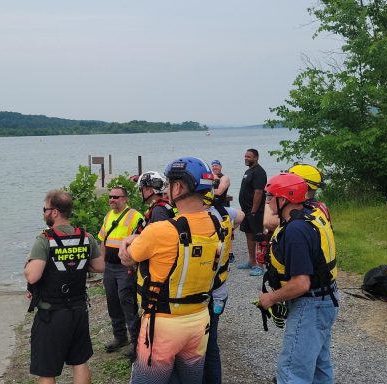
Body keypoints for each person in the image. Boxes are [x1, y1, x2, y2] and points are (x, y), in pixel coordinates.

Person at [120, 156, 231, 383]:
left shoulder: (160, 230)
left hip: (162, 324)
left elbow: (128, 258)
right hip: (199, 320)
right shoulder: (217, 224)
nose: (167, 189)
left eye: (169, 184)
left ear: (178, 187)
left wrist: (130, 241)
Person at [257, 173, 338, 384]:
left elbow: (301, 283)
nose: (266, 201)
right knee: (320, 365)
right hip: (325, 299)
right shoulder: (310, 213)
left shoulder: (295, 230)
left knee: (292, 369)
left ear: (282, 200)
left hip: (310, 305)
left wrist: (271, 298)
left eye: (269, 196)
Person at [24, 190, 105, 384]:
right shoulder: (86, 237)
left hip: (51, 312)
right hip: (78, 308)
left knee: (47, 369)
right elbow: (100, 267)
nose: (43, 213)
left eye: (45, 209)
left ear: (54, 212)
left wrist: (27, 265)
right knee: (79, 362)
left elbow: (34, 276)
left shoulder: (45, 240)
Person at [98, 186, 144, 354]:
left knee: (127, 303)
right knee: (113, 302)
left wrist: (133, 265)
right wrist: (102, 264)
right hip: (109, 267)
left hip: (125, 268)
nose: (112, 200)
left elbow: (139, 242)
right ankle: (120, 337)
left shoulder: (135, 216)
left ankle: (135, 342)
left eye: (116, 197)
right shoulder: (108, 215)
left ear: (125, 199)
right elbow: (103, 240)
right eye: (110, 197)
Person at [203, 193, 242, 384]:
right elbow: (241, 216)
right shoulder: (223, 214)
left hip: (205, 293)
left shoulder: (200, 220)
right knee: (211, 345)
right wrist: (230, 228)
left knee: (202, 347)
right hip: (220, 290)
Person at [237, 149, 267, 277]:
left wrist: (254, 211)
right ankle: (251, 261)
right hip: (246, 210)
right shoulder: (248, 171)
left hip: (255, 211)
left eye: (249, 156)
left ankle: (260, 266)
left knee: (259, 237)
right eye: (245, 156)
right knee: (249, 235)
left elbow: (258, 192)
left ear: (256, 158)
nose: (246, 158)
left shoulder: (259, 172)